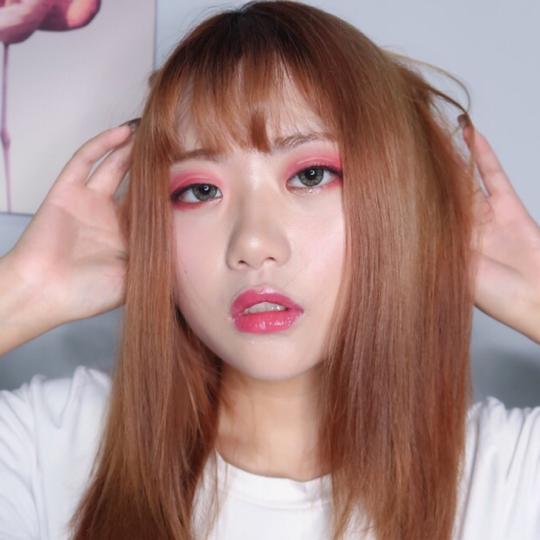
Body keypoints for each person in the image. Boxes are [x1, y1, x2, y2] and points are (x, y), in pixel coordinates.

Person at [1, 1, 539, 538]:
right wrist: (25, 290)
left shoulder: (506, 478)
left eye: (310, 176)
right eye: (200, 190)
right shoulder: (48, 449)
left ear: (395, 197)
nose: (253, 243)